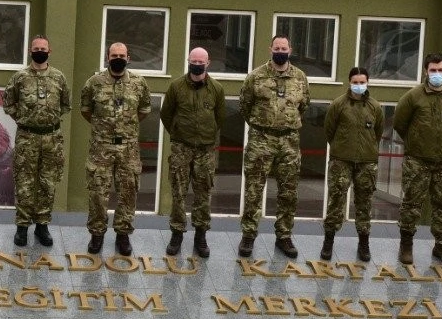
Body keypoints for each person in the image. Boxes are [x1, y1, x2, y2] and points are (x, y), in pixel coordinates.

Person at [393, 53, 442, 266]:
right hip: (418, 161)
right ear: (425, 71)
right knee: (411, 204)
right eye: (433, 70)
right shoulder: (413, 96)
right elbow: (400, 123)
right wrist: (416, 142)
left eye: (441, 70)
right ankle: (406, 244)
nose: (437, 74)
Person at [237, 34, 310, 258]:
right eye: (276, 47)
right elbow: (245, 106)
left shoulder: (300, 77)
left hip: (289, 141)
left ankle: (284, 236)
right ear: (270, 49)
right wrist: (265, 126)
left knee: (288, 193)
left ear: (290, 49)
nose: (280, 50)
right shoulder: (256, 76)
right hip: (261, 140)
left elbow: (304, 105)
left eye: (284, 47)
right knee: (253, 191)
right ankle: (248, 236)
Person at [79, 42, 151, 256]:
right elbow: (86, 111)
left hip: (128, 149)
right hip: (101, 148)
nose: (117, 58)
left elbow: (144, 110)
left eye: (122, 55)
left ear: (128, 58)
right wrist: (105, 129)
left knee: (127, 192)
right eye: (114, 55)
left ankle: (123, 235)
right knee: (98, 194)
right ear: (107, 57)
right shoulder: (94, 83)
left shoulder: (139, 84)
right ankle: (97, 234)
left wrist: (125, 128)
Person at [3, 35, 70, 248]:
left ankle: (42, 225)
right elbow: (8, 102)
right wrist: (23, 119)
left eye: (43, 48)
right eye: (35, 48)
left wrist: (50, 120)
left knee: (47, 183)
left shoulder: (59, 77)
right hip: (27, 137)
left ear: (49, 52)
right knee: (24, 182)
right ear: (30, 51)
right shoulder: (20, 77)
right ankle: (22, 226)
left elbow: (66, 105)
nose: (39, 51)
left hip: (52, 138)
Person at [160, 46, 225, 258]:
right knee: (178, 193)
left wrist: (206, 135)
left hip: (205, 151)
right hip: (181, 148)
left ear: (208, 63)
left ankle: (200, 235)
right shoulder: (176, 86)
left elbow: (220, 118)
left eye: (201, 62)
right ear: (188, 61)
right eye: (193, 61)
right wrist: (179, 133)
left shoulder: (216, 88)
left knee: (203, 194)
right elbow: (166, 115)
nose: (197, 65)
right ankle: (177, 233)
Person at [321, 66, 382, 262]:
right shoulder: (338, 104)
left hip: (367, 162)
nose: (359, 86)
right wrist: (342, 147)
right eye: (355, 82)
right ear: (350, 83)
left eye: (362, 82)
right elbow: (329, 130)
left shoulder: (375, 107)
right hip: (341, 161)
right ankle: (328, 242)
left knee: (364, 204)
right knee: (336, 202)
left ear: (368, 82)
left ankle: (364, 244)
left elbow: (378, 133)